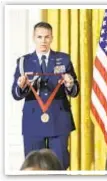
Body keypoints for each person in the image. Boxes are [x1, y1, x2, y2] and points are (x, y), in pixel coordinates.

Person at [12, 22, 79, 170]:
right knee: (33, 166)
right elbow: (15, 94)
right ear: (34, 38)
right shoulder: (24, 62)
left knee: (60, 165)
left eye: (47, 37)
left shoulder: (64, 59)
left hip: (58, 119)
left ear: (52, 38)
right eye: (40, 37)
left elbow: (75, 90)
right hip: (34, 120)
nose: (43, 40)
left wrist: (70, 84)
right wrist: (20, 86)